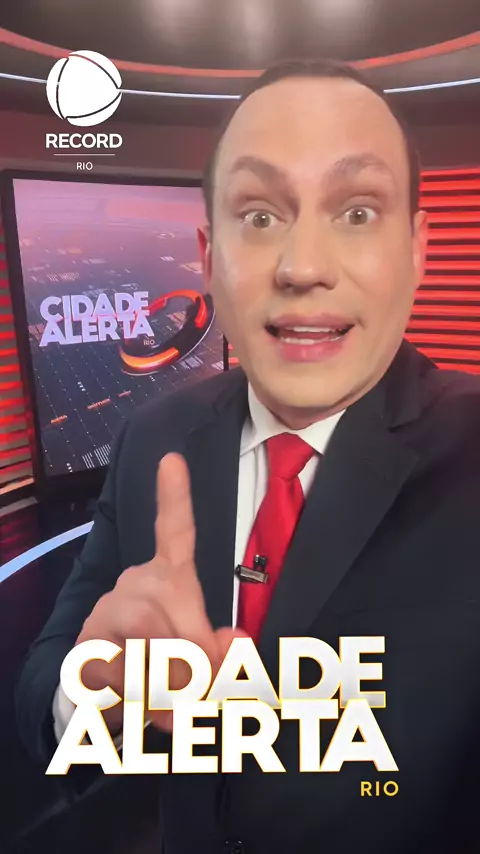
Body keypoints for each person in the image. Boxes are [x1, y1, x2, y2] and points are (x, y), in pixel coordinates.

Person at [16, 58, 480, 854]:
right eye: (259, 215)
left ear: (417, 249)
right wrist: (97, 690)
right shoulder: (152, 439)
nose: (303, 268)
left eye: (357, 211)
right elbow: (42, 694)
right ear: (207, 255)